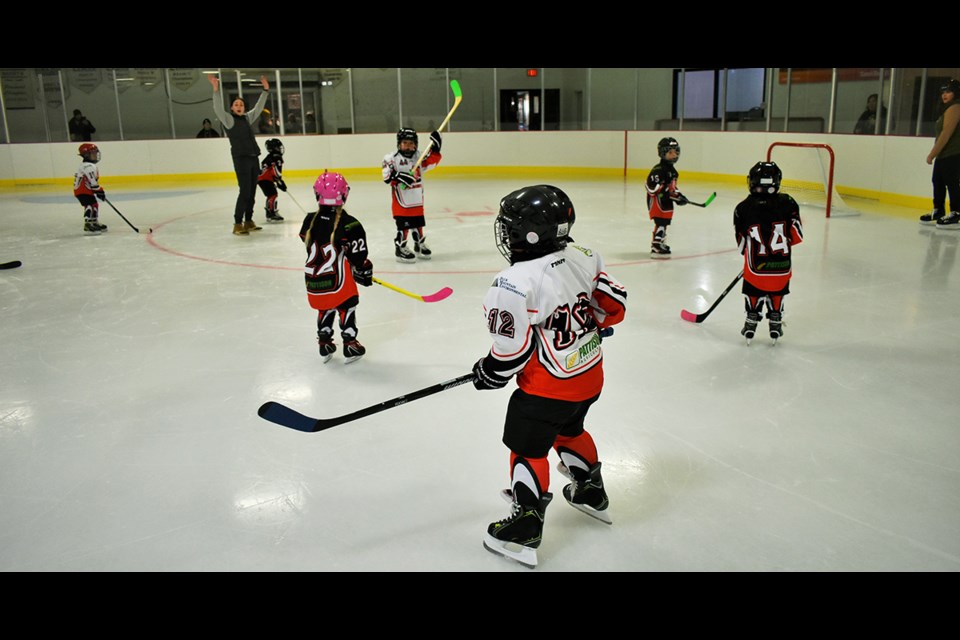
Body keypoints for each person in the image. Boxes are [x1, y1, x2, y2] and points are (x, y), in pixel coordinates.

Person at [474, 184, 627, 569]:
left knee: (528, 449)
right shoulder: (584, 254)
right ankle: (591, 491)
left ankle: (525, 525)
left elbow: (511, 353)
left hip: (547, 389)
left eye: (510, 227)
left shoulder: (513, 282)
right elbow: (613, 308)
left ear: (529, 233)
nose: (506, 233)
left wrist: (488, 372)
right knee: (570, 431)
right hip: (589, 377)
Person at [299, 171, 373, 364]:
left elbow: (308, 241)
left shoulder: (309, 220)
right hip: (338, 283)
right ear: (344, 194)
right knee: (347, 306)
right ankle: (350, 343)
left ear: (317, 195)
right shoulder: (351, 224)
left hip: (313, 284)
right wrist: (364, 269)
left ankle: (324, 343)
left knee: (325, 307)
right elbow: (359, 258)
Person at [733, 161, 804, 345]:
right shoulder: (788, 203)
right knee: (777, 287)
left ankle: (751, 318)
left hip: (755, 269)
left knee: (753, 286)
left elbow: (741, 246)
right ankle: (775, 319)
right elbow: (796, 236)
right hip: (781, 269)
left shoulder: (742, 208)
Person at [208, 73, 270, 236]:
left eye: (241, 104)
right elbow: (217, 109)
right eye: (236, 104)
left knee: (251, 191)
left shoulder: (247, 118)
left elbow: (258, 108)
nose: (239, 106)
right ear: (232, 108)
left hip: (252, 158)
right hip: (241, 159)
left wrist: (265, 90)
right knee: (244, 191)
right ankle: (237, 223)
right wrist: (216, 89)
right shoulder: (229, 120)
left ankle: (248, 221)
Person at [381, 127, 442, 262]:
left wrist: (436, 149)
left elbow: (431, 162)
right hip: (401, 202)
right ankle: (400, 247)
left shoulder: (419, 157)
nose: (408, 147)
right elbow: (386, 177)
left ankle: (419, 244)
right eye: (405, 143)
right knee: (403, 226)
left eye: (411, 143)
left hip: (417, 199)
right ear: (399, 143)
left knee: (418, 223)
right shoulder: (391, 158)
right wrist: (398, 176)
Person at [920, 79, 960, 228]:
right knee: (937, 181)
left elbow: (946, 133)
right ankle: (938, 210)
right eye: (943, 92)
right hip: (944, 153)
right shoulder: (946, 108)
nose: (944, 95)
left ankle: (956, 212)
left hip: (953, 153)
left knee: (952, 183)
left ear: (955, 93)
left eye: (948, 91)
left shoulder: (955, 107)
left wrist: (932, 154)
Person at [645, 136, 688, 258]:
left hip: (666, 202)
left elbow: (672, 187)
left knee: (665, 222)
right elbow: (650, 186)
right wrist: (663, 192)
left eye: (676, 151)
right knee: (661, 222)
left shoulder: (673, 171)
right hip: (657, 202)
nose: (674, 155)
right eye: (670, 152)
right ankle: (656, 244)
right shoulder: (658, 170)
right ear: (662, 153)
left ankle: (660, 242)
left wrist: (679, 196)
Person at [73, 143, 108, 234]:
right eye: (93, 153)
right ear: (86, 155)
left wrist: (98, 191)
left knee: (95, 205)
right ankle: (88, 225)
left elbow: (92, 183)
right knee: (89, 206)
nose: (96, 155)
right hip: (82, 191)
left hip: (87, 190)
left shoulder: (88, 165)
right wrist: (100, 191)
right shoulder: (88, 166)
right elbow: (93, 182)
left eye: (96, 152)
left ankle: (94, 222)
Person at [257, 138, 287, 223]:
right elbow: (276, 171)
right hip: (265, 179)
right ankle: (271, 213)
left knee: (271, 195)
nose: (280, 148)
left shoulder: (270, 157)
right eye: (278, 147)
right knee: (273, 195)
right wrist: (280, 181)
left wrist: (278, 181)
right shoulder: (277, 157)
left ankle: (271, 212)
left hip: (263, 179)